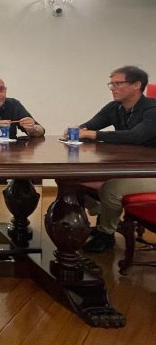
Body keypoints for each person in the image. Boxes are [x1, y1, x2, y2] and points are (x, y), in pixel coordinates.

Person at [75, 66, 156, 253]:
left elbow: (136, 136)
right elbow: (88, 126)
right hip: (130, 167)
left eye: (118, 83)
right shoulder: (114, 107)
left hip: (151, 171)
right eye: (111, 84)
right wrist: (76, 130)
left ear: (137, 85)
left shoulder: (152, 109)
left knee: (112, 189)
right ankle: (104, 212)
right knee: (74, 181)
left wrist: (94, 134)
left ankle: (106, 234)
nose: (112, 88)